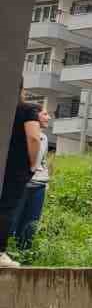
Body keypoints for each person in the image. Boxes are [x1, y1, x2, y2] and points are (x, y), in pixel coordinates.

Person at [0, 87, 43, 266]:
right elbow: (33, 138)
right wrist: (33, 164)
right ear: (22, 89)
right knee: (6, 208)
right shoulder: (27, 110)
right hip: (15, 167)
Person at [12, 106, 51, 251]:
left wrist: (46, 180)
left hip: (39, 185)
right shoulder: (25, 135)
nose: (48, 118)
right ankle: (8, 251)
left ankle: (24, 253)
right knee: (14, 220)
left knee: (32, 222)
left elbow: (43, 161)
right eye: (45, 114)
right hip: (24, 184)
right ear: (36, 116)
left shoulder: (45, 137)